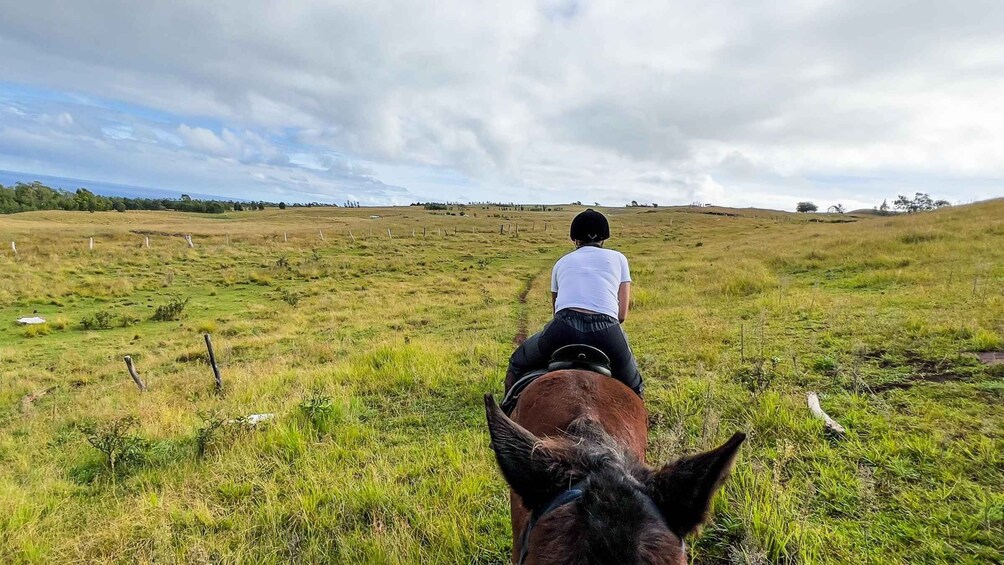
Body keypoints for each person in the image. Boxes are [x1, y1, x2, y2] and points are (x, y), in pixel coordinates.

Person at [506, 209, 643, 395]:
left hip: (563, 328)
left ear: (574, 239)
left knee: (517, 362)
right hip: (607, 332)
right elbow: (621, 315)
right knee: (634, 385)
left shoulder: (561, 262)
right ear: (604, 238)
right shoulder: (619, 259)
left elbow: (557, 311)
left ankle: (505, 412)